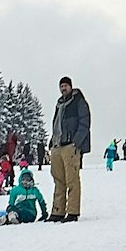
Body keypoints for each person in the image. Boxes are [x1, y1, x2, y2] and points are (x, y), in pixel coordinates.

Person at [50, 77, 91, 222]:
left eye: (65, 85)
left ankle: (73, 212)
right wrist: (52, 142)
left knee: (72, 180)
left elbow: (85, 123)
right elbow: (56, 124)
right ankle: (57, 211)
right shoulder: (59, 104)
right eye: (61, 86)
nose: (63, 88)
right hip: (57, 145)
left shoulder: (78, 102)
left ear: (71, 86)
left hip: (70, 146)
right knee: (58, 180)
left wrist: (76, 143)